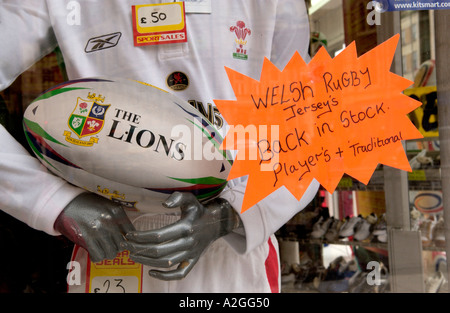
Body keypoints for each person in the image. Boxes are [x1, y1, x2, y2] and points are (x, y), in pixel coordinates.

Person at [0, 0, 319, 293]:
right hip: (112, 242)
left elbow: (307, 129)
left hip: (231, 250)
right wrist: (52, 200)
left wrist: (229, 216)